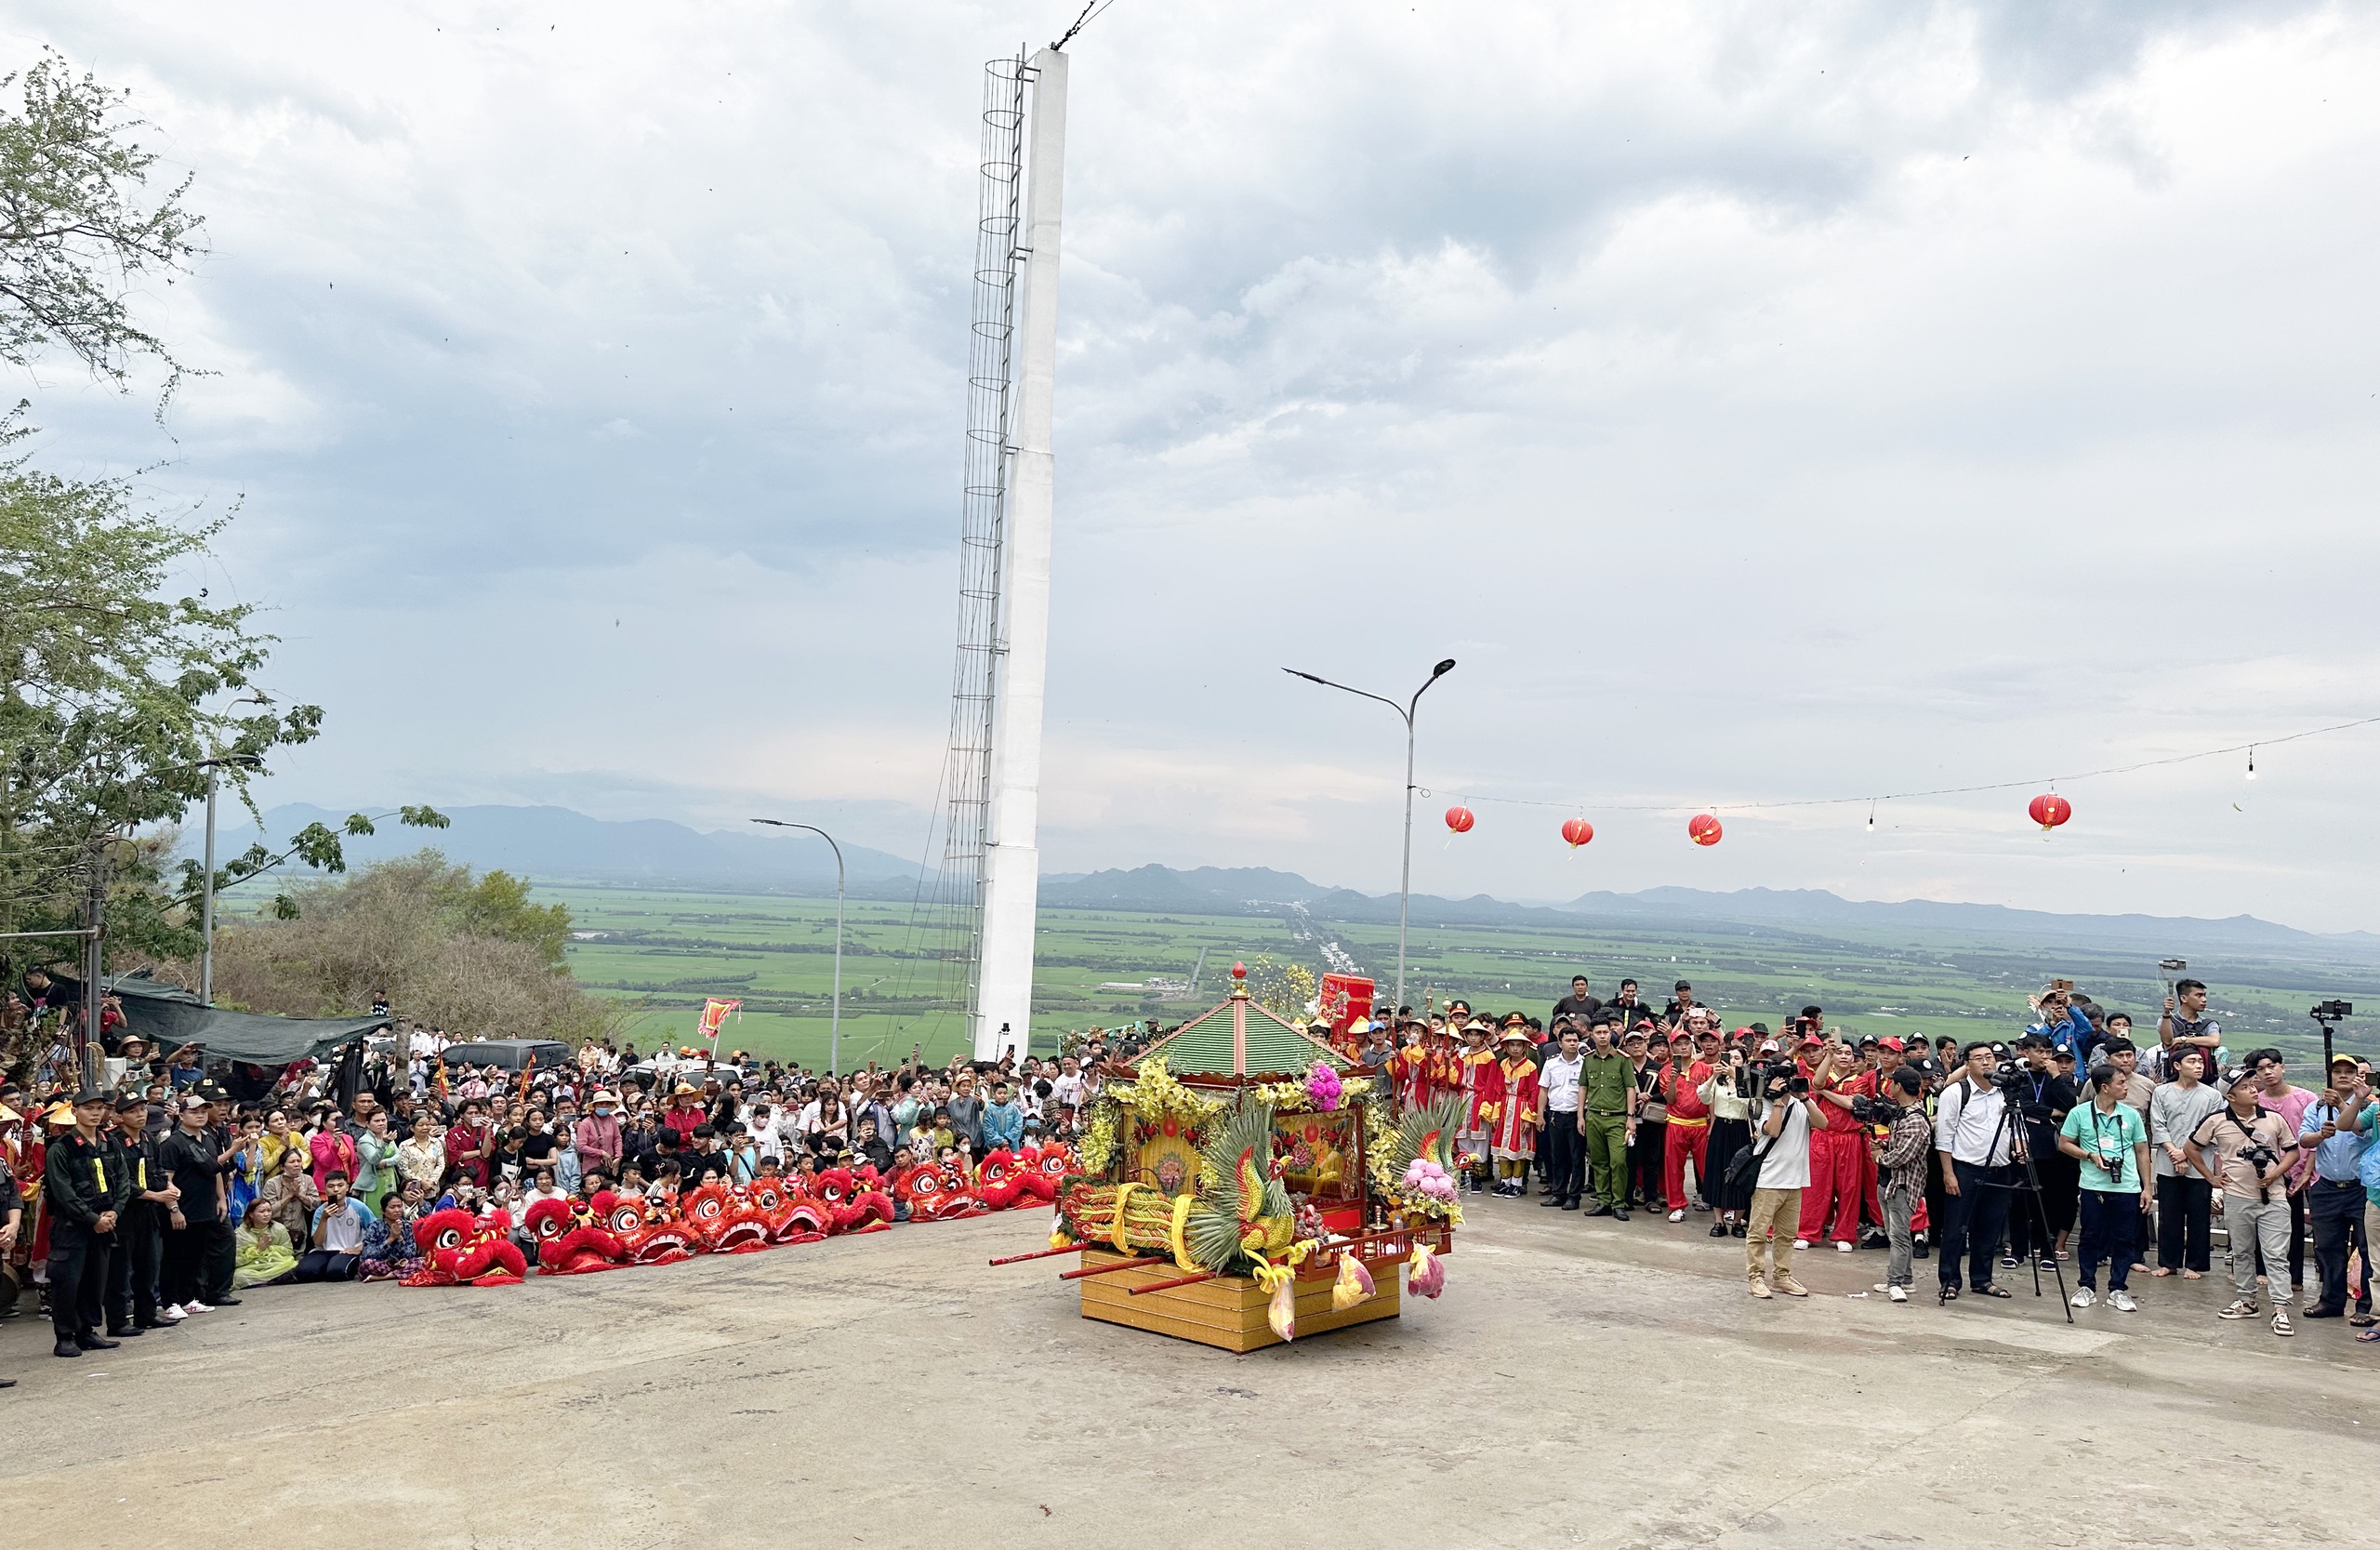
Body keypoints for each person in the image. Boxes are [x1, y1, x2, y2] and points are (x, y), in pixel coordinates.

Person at [2187, 1066, 2300, 1336]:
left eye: (2252, 1084)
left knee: (2275, 1255)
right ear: (2230, 1096)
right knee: (2242, 1252)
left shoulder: (2273, 1119)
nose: (2253, 1089)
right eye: (2245, 1086)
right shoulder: (2216, 1121)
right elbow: (2191, 1148)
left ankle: (2281, 1308)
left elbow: (2292, 1152)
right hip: (2237, 1196)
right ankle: (2247, 1300)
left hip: (2273, 1197)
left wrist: (2274, 1174)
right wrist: (2211, 1178)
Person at [2060, 1062, 2150, 1311]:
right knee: (2090, 1236)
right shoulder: (2079, 1113)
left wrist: (2147, 1187)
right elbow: (2064, 1143)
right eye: (2121, 1083)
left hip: (2127, 1186)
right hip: (2093, 1185)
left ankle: (2118, 1288)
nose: (2126, 1087)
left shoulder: (2130, 1114)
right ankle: (2086, 1285)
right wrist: (2089, 1156)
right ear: (2104, 1087)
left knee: (2124, 1239)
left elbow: (2142, 1150)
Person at [1934, 1041, 2018, 1304]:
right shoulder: (1957, 1093)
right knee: (1956, 1228)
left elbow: (2012, 1128)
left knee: (1989, 1228)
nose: (1986, 1062)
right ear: (1967, 1064)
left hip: (2000, 1169)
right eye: (1979, 1058)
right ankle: (1949, 1279)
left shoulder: (2005, 1093)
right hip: (1965, 1169)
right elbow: (1944, 1137)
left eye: (1990, 1057)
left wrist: (2019, 1145)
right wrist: (1948, 1174)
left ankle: (1982, 1279)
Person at [42, 1089, 120, 1358]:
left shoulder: (110, 1142)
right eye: (89, 1108)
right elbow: (63, 1193)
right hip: (72, 1227)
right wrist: (92, 1219)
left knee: (95, 1280)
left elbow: (122, 1180)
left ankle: (87, 1330)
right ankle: (64, 1335)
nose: (96, 1113)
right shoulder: (60, 1148)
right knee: (67, 1281)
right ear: (75, 1111)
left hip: (105, 1223)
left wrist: (114, 1212)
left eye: (100, 1108)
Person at [1745, 1058, 1822, 1299]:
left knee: (1787, 1234)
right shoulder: (1761, 1104)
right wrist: (1777, 1102)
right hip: (1769, 1179)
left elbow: (1823, 1123)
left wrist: (1805, 1098)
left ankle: (1782, 1276)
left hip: (1795, 1180)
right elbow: (1773, 1130)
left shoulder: (1800, 1104)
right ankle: (1756, 1277)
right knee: (1758, 1233)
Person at [2298, 1057, 2369, 1321]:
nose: (2342, 1076)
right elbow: (2304, 1139)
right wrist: (2321, 1136)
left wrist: (2343, 1106)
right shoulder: (2316, 1108)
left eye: (2348, 1072)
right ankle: (2331, 1300)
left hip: (2361, 1188)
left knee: (2367, 1248)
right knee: (2327, 1247)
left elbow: (2367, 1134)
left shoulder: (2368, 1108)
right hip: (2326, 1186)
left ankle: (2366, 1306)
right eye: (2336, 1071)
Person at [2150, 1049, 2224, 1278]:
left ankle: (2195, 1264)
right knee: (2168, 1215)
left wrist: (2187, 1154)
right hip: (2167, 1161)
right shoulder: (2161, 1092)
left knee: (2199, 1215)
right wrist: (2175, 1151)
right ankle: (2168, 1262)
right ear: (2177, 1066)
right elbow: (2158, 1124)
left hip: (2200, 1163)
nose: (2199, 1065)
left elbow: (2213, 1128)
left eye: (2200, 1061)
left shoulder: (2212, 1096)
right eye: (2192, 1061)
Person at [1875, 1066, 1933, 1302]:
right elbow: (1899, 1146)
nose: (1889, 1086)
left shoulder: (1915, 1120)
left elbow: (1903, 1156)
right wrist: (1884, 1146)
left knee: (1899, 1237)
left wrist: (1879, 1157)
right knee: (1896, 1234)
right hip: (1891, 1183)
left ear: (1899, 1086)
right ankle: (1905, 1279)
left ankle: (1895, 1282)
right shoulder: (1903, 1113)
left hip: (1903, 1185)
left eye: (1892, 1083)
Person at [1579, 1015, 1637, 1219]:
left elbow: (1631, 1089)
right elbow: (1583, 1088)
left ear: (1611, 1034)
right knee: (1598, 1162)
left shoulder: (1622, 1059)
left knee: (1619, 1162)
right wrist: (1581, 1116)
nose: (1603, 1036)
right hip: (1594, 1117)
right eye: (1598, 1033)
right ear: (1592, 1035)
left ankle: (1618, 1203)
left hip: (1617, 1119)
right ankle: (1603, 1201)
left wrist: (1630, 1117)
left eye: (1606, 1032)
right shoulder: (1588, 1060)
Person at [1536, 1025, 1585, 1210]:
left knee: (1577, 1158)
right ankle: (1558, 1193)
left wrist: (1581, 1117)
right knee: (1558, 1156)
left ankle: (1574, 1196)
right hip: (1555, 1115)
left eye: (1575, 1041)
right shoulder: (1551, 1063)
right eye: (1568, 1041)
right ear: (1560, 1042)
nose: (1572, 1044)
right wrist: (1540, 1115)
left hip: (1576, 1116)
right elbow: (1543, 1090)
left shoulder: (1585, 1064)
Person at [298, 1172, 371, 1281]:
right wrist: (324, 1219)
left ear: (347, 1187)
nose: (336, 1190)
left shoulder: (358, 1207)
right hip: (324, 1251)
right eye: (331, 1186)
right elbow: (317, 1242)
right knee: (304, 1272)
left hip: (347, 1251)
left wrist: (359, 1248)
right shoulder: (320, 1211)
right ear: (326, 1190)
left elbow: (375, 1231)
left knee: (336, 1273)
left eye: (340, 1185)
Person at [232, 1199, 298, 1288]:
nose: (266, 1214)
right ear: (251, 1215)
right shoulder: (241, 1234)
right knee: (238, 1276)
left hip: (276, 1263)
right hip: (252, 1267)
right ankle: (271, 1280)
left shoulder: (279, 1228)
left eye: (269, 1211)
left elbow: (289, 1251)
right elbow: (236, 1260)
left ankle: (264, 1281)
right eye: (262, 1211)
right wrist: (258, 1250)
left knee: (293, 1266)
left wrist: (270, 1248)